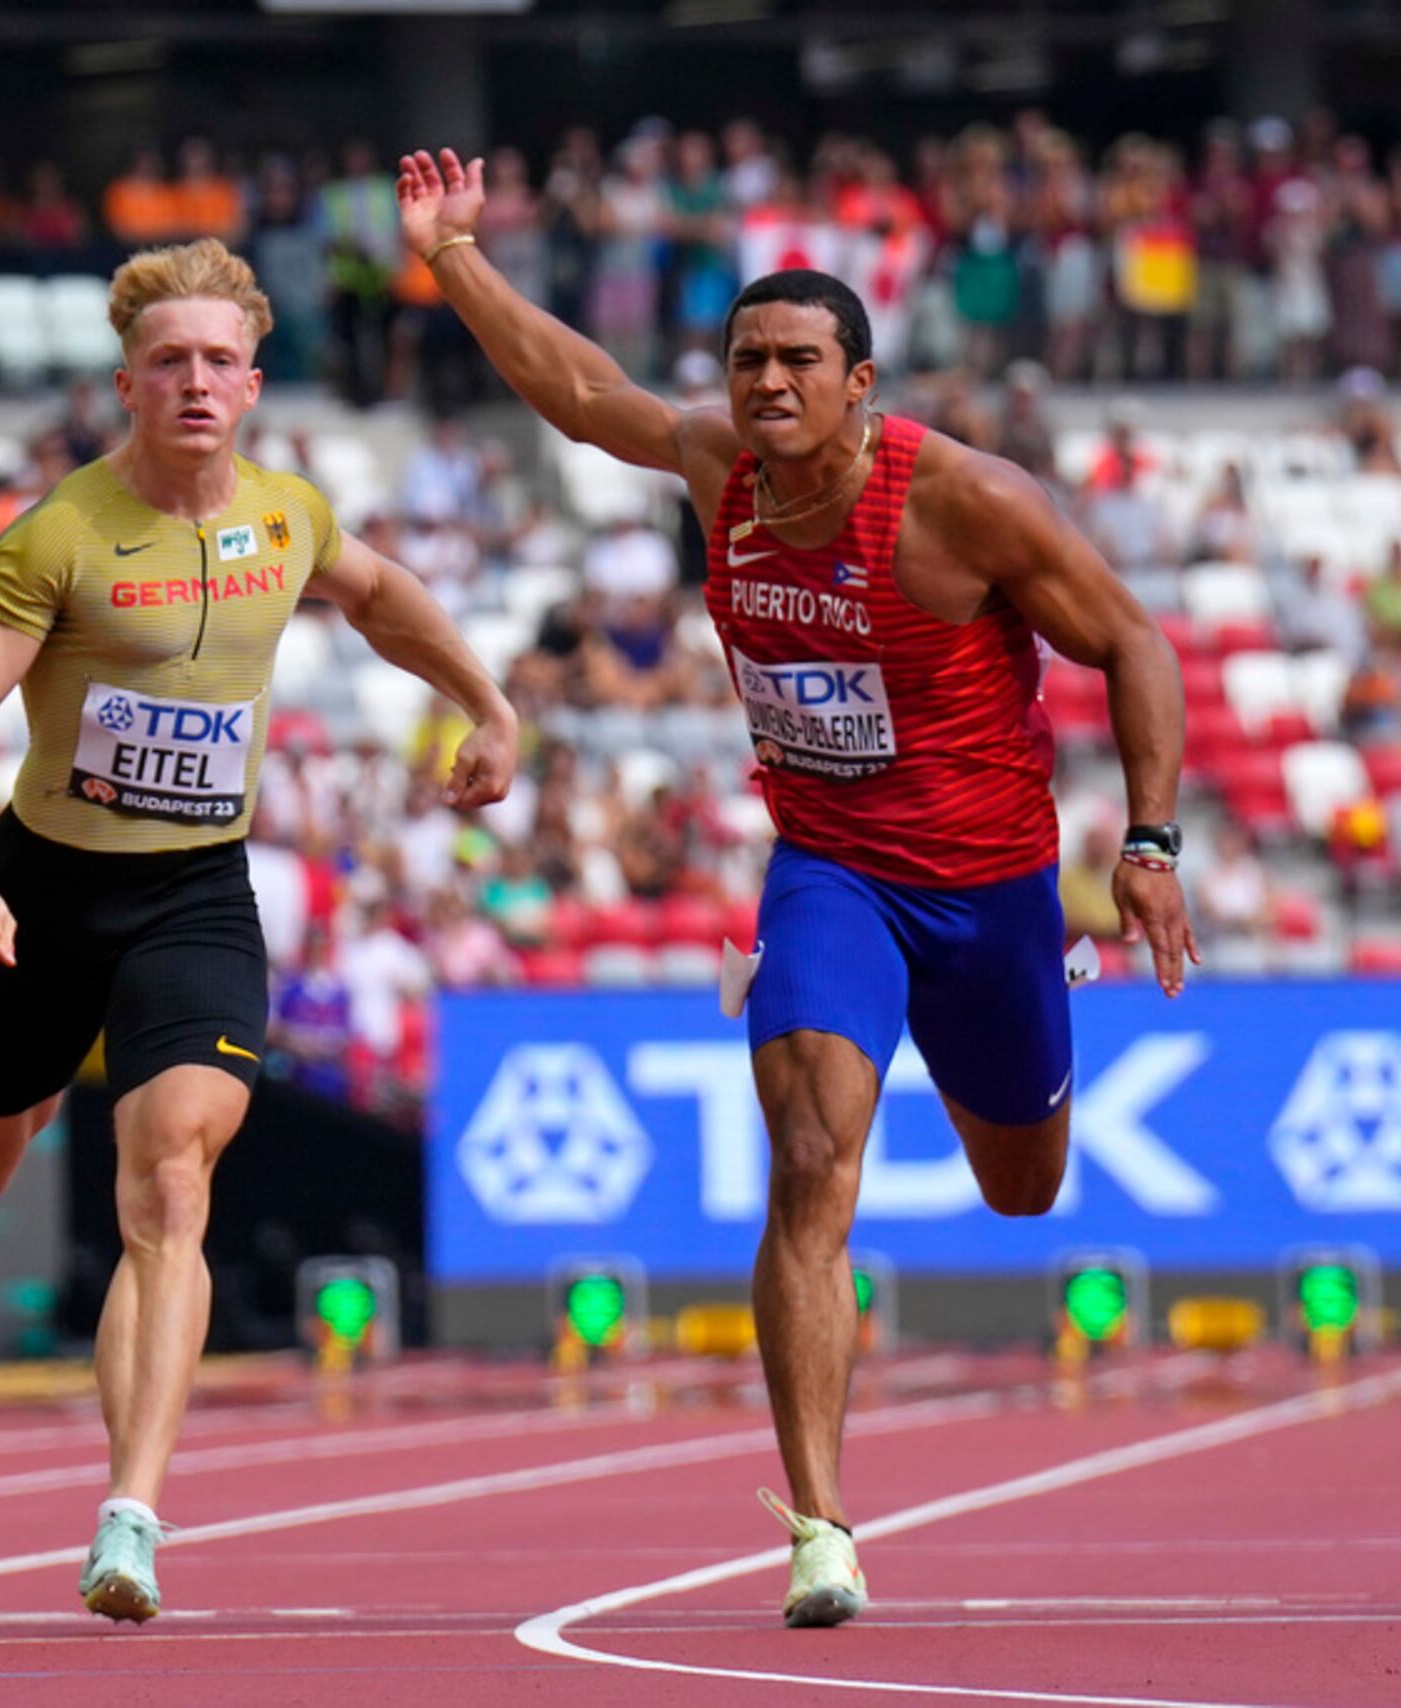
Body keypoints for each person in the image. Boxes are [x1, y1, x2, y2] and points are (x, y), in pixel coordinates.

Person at [397, 149, 1196, 1630]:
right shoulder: (719, 471)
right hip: (830, 870)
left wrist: (1147, 846)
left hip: (995, 886)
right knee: (813, 1152)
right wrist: (454, 257)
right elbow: (581, 395)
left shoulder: (965, 502)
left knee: (1024, 1191)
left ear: (861, 381)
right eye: (746, 359)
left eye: (796, 361)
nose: (765, 383)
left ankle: (1039, 1015)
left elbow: (1137, 645)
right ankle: (821, 1528)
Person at [0, 236, 517, 1624]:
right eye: (166, 361)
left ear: (251, 382)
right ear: (127, 381)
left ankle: (132, 1517)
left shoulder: (287, 518)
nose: (192, 382)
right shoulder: (59, 534)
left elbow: (382, 597)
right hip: (41, 893)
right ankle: (47, 1071)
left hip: (194, 893)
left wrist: (487, 699)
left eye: (217, 361)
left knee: (170, 1180)